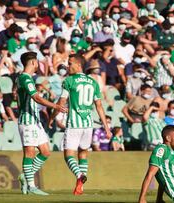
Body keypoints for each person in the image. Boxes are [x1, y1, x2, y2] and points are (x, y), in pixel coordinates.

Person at [49, 53, 111, 195]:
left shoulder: (69, 81)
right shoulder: (93, 82)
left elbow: (61, 103)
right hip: (88, 125)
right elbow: (99, 106)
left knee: (68, 155)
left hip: (74, 124)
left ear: (78, 65)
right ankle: (80, 187)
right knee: (83, 153)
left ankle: (79, 175)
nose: (68, 66)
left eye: (70, 63)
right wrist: (106, 127)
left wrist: (52, 117)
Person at [17, 52, 67, 195]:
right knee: (30, 152)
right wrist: (55, 106)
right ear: (33, 62)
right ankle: (31, 186)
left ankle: (25, 176)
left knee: (45, 152)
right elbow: (36, 98)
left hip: (35, 121)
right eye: (37, 62)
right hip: (27, 121)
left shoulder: (28, 79)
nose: (38, 64)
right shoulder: (25, 78)